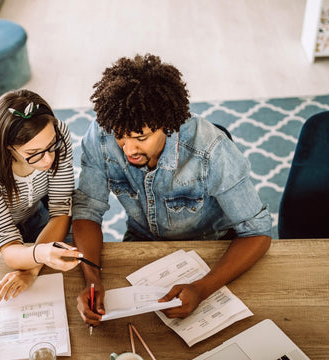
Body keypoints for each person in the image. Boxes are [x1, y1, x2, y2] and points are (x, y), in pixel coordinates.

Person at [72, 54, 272, 326]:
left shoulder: (212, 150)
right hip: (139, 241)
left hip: (210, 248)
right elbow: (87, 211)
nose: (128, 150)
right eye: (121, 135)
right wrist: (93, 281)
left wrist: (202, 289)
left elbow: (257, 233)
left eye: (140, 138)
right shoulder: (101, 135)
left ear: (167, 125)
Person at [0, 89, 82, 302]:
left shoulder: (58, 132)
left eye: (51, 146)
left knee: (76, 271)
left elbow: (61, 208)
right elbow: (7, 242)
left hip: (36, 218)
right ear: (8, 147)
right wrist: (40, 255)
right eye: (34, 154)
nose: (48, 160)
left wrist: (31, 270)